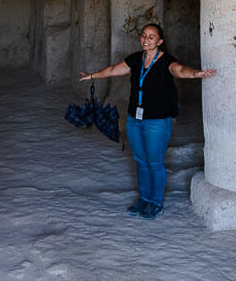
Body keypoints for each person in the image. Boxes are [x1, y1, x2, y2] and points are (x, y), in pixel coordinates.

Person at [79, 23, 216, 219]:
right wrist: (93, 75)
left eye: (151, 37)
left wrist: (195, 73)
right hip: (135, 119)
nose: (145, 39)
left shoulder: (166, 60)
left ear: (159, 41)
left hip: (157, 121)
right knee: (141, 161)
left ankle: (155, 202)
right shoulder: (136, 58)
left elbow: (179, 70)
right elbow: (112, 70)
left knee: (155, 162)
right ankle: (144, 198)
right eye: (144, 35)